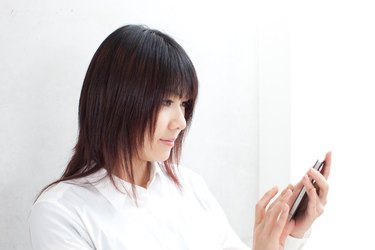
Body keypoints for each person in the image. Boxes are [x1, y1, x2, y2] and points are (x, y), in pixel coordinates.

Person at [28, 24, 331, 250]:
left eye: (184, 104)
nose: (181, 122)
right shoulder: (60, 212)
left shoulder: (189, 187)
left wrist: (289, 233)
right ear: (117, 100)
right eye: (165, 103)